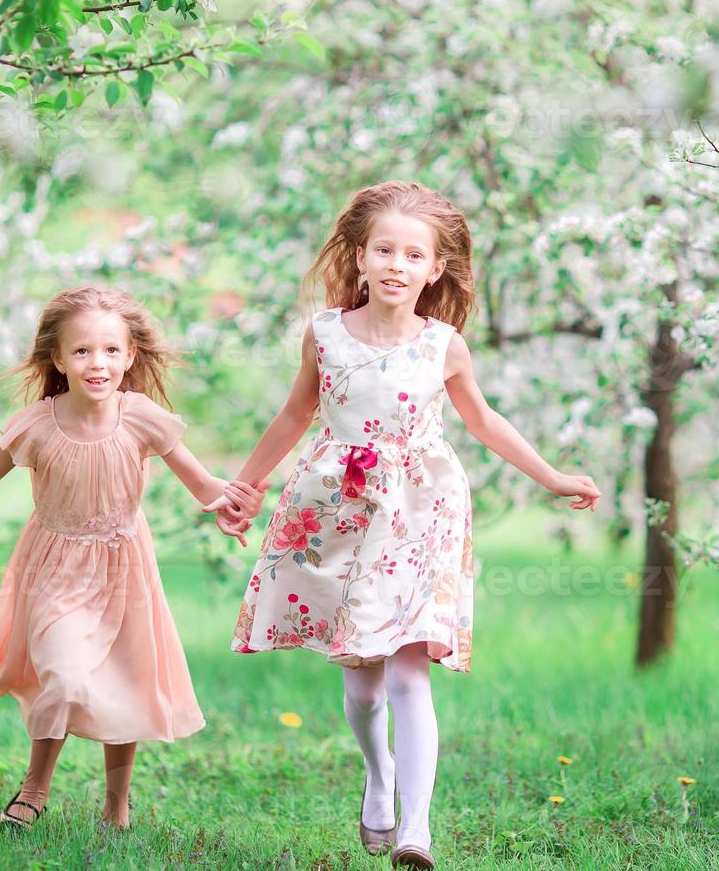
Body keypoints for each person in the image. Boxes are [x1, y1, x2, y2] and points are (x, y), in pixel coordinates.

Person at [209, 181, 600, 869]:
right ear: (359, 258)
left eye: (411, 254)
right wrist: (246, 485)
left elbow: (483, 422)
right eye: (383, 249)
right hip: (337, 508)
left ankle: (417, 829)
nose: (396, 263)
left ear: (433, 269)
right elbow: (294, 416)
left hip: (422, 512)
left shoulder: (442, 345)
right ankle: (380, 777)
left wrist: (553, 476)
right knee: (363, 682)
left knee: (410, 675)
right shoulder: (325, 334)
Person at [0, 285, 259, 831]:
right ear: (58, 359)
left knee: (124, 681)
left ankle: (116, 807)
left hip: (126, 567)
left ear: (129, 357)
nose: (96, 363)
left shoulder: (142, 418)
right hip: (54, 568)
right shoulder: (37, 424)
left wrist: (226, 504)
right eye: (81, 351)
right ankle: (34, 789)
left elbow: (203, 485)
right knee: (64, 673)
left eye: (109, 350)